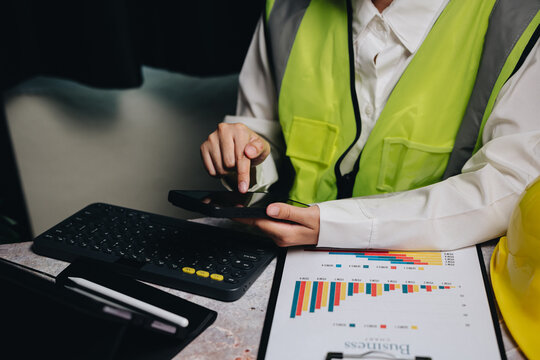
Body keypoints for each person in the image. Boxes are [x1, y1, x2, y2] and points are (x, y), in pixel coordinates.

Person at [200, 0, 540, 250]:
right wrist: (246, 163)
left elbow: (508, 185)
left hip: (436, 279)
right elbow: (263, 136)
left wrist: (339, 226)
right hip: (285, 262)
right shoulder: (286, 9)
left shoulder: (520, 21)